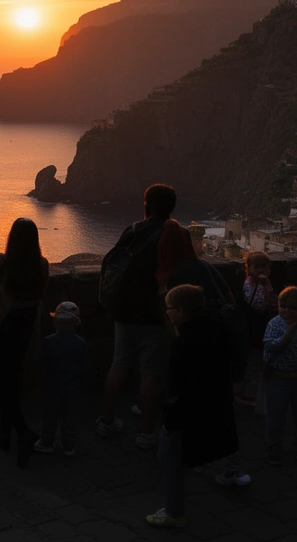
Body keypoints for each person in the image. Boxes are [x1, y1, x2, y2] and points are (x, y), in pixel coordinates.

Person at [98, 184, 196, 450]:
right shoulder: (175, 234)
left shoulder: (131, 230)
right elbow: (184, 271)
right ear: (171, 207)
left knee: (119, 365)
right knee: (151, 373)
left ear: (146, 205)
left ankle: (106, 422)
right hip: (153, 313)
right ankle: (146, 432)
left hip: (122, 309)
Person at [147, 284, 237, 529]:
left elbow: (180, 389)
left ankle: (174, 513)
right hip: (216, 402)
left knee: (168, 458)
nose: (166, 313)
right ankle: (233, 471)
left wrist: (170, 423)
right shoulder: (218, 328)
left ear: (182, 312)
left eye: (169, 308)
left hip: (188, 410)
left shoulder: (182, 345)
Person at [0, 217, 50, 467]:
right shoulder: (41, 265)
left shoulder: (3, 263)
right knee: (12, 378)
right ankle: (4, 433)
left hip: (5, 325)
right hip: (26, 326)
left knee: (0, 379)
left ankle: (22, 431)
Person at [261, 287, 297, 468]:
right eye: (283, 306)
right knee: (276, 415)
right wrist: (288, 334)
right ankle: (274, 444)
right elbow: (271, 346)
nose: (287, 311)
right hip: (278, 380)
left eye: (293, 308)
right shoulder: (275, 324)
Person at [32, 302, 90, 457]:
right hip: (73, 388)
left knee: (50, 416)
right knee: (70, 417)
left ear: (54, 322)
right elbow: (84, 367)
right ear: (76, 323)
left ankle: (47, 442)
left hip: (52, 387)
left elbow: (41, 365)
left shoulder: (48, 342)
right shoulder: (80, 343)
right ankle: (68, 445)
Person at [238, 251, 277, 406]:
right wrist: (264, 286)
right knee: (254, 362)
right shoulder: (249, 284)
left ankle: (247, 390)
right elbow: (259, 306)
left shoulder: (265, 283)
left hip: (261, 326)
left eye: (264, 266)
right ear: (249, 268)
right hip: (253, 327)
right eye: (257, 266)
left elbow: (272, 302)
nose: (261, 270)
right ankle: (247, 393)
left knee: (258, 359)